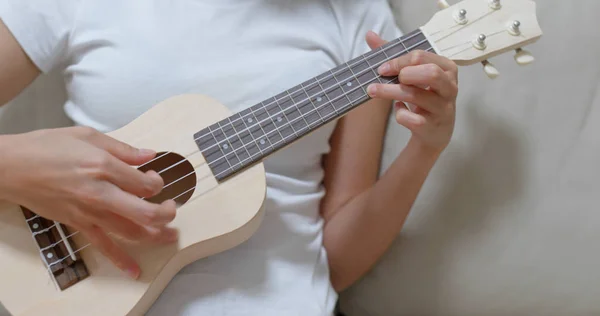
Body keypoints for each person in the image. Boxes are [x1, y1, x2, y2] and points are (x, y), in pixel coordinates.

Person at [0, 0, 458, 315]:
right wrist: (13, 164)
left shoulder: (361, 18)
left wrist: (427, 146)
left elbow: (337, 261)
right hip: (83, 287)